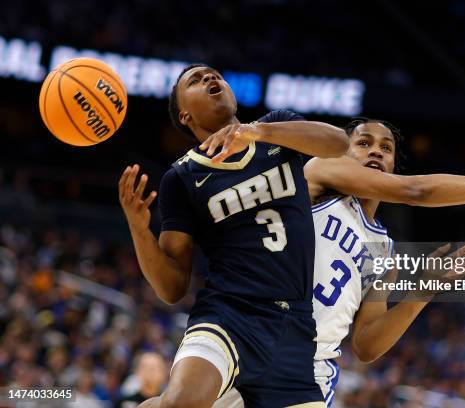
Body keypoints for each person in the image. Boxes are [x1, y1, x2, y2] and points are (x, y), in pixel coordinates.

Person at [215, 117, 465, 408]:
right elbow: (416, 190)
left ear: (392, 162)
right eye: (363, 143)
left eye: (386, 148)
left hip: (309, 369)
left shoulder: (383, 249)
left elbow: (366, 346)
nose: (375, 151)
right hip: (256, 335)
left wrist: (423, 291)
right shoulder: (319, 177)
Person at [118, 63, 349, 408]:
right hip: (230, 314)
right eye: (196, 81)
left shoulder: (277, 127)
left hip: (295, 328)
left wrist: (259, 132)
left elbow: (338, 143)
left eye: (214, 74)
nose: (210, 78)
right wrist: (139, 230)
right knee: (182, 403)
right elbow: (172, 288)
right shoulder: (181, 177)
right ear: (185, 116)